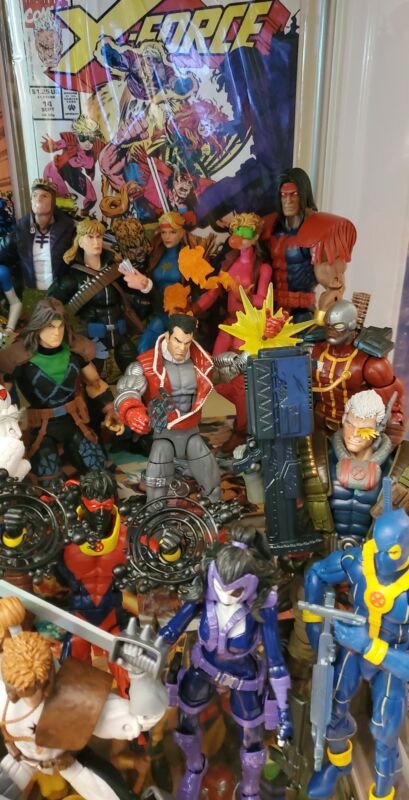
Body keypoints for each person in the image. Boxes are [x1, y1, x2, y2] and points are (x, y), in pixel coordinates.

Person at [158, 526, 292, 800]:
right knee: (186, 723)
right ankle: (194, 768)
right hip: (203, 667)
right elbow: (171, 630)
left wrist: (283, 709)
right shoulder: (205, 593)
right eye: (219, 586)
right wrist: (153, 651)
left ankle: (251, 791)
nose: (224, 595)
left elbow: (276, 661)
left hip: (243, 676)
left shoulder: (260, 605)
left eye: (234, 590)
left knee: (252, 738)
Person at [0, 595, 164, 800]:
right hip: (20, 760)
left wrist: (141, 678)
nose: (31, 698)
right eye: (23, 691)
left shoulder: (74, 695)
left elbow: (142, 719)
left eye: (36, 687)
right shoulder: (3, 690)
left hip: (69, 761)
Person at [303, 488, 409, 800]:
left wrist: (370, 647)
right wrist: (314, 628)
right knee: (330, 709)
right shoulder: (360, 561)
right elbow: (317, 573)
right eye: (377, 548)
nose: (379, 559)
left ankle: (383, 792)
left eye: (390, 552)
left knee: (384, 730)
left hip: (393, 658)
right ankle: (339, 764)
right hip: (352, 646)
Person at [0, 297, 112, 484]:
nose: (56, 333)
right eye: (50, 327)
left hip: (74, 422)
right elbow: (3, 397)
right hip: (41, 430)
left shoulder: (75, 352)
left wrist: (111, 409)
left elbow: (95, 383)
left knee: (100, 474)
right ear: (38, 327)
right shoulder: (20, 359)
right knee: (50, 483)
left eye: (60, 327)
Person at [111, 313, 221, 503]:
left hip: (191, 432)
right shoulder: (146, 364)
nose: (182, 348)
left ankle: (215, 506)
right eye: (177, 341)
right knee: (157, 477)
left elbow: (228, 367)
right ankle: (155, 510)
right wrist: (132, 411)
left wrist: (249, 355)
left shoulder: (202, 360)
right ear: (168, 336)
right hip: (164, 433)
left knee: (209, 473)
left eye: (187, 343)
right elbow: (127, 389)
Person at [192, 212, 272, 452]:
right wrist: (192, 311)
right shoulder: (229, 263)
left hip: (247, 329)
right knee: (214, 374)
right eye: (235, 232)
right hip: (228, 325)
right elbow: (213, 292)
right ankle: (247, 418)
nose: (239, 237)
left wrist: (244, 295)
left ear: (255, 236)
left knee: (239, 381)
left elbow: (264, 302)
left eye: (245, 233)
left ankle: (242, 429)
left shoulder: (262, 267)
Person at [48, 218, 141, 378]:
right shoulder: (72, 276)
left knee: (137, 374)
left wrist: (144, 286)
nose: (96, 242)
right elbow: (51, 304)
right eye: (90, 237)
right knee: (93, 380)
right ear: (80, 241)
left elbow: (136, 294)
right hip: (92, 339)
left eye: (99, 237)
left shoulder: (116, 269)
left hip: (121, 334)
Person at [262, 167, 356, 322]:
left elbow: (335, 285)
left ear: (304, 195)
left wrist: (323, 316)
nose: (288, 201)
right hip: (271, 310)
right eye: (283, 195)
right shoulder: (269, 227)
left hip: (302, 312)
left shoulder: (318, 231)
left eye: (294, 194)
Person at [311, 298, 405, 445]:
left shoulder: (371, 364)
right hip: (318, 423)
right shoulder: (314, 351)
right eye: (327, 325)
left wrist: (391, 435)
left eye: (338, 326)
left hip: (355, 430)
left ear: (351, 326)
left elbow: (393, 403)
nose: (331, 331)